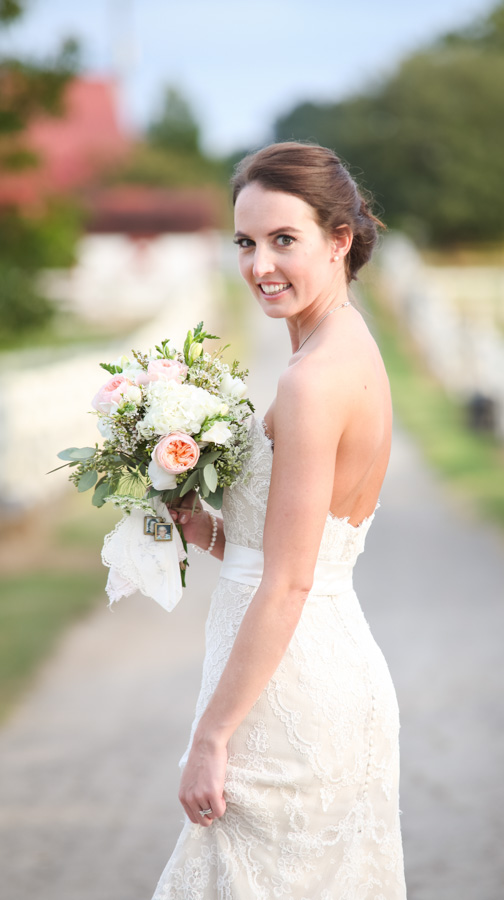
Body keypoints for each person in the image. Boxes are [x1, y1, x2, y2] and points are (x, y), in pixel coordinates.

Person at [154, 142, 406, 899]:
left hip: (287, 701)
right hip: (322, 672)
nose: (260, 263)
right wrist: (205, 527)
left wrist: (211, 737)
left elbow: (290, 583)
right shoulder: (350, 346)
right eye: (246, 242)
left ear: (339, 240)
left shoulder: (311, 383)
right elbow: (296, 547)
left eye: (283, 240)